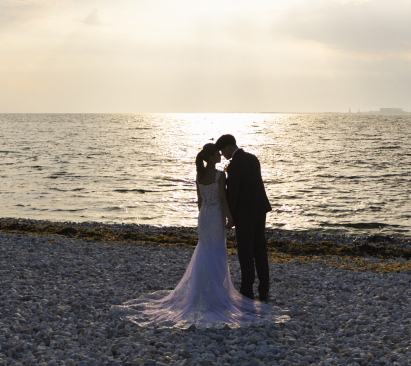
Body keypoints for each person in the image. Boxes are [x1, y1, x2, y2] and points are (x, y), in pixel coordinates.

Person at [114, 142, 287, 329]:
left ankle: (202, 293)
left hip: (204, 216)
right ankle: (221, 293)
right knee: (218, 253)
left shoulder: (200, 175)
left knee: (205, 251)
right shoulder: (221, 175)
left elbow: (200, 201)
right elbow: (222, 198)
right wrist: (230, 217)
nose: (221, 155)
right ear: (212, 157)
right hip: (216, 216)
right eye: (217, 154)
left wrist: (203, 217)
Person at [216, 133, 271, 301]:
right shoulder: (253, 159)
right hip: (259, 209)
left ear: (229, 147)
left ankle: (247, 290)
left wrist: (230, 216)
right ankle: (264, 289)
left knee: (246, 252)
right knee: (260, 249)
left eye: (223, 151)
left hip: (244, 214)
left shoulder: (234, 165)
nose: (223, 155)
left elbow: (234, 193)